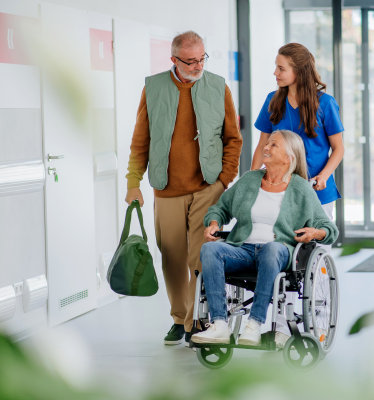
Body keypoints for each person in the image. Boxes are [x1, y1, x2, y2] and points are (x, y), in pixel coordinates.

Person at [125, 31, 242, 346]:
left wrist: (224, 179)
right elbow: (140, 141)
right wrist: (133, 182)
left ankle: (198, 320)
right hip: (167, 189)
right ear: (174, 60)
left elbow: (233, 138)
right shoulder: (154, 88)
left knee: (201, 257)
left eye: (202, 58)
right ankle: (180, 318)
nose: (197, 66)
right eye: (190, 61)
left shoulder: (218, 87)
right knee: (172, 257)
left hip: (208, 187)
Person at [191, 130, 338, 346]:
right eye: (267, 144)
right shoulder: (250, 180)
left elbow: (329, 229)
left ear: (288, 158)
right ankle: (220, 324)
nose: (266, 148)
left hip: (278, 252)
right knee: (209, 250)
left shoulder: (301, 189)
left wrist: (315, 233)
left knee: (271, 248)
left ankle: (254, 325)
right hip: (243, 250)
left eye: (273, 145)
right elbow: (220, 208)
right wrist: (213, 223)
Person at [252, 43, 345, 222]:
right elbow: (262, 145)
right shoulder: (272, 101)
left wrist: (323, 176)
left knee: (317, 244)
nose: (275, 73)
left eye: (281, 69)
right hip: (278, 190)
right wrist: (252, 178)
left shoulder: (325, 103)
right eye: (276, 67)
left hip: (316, 189)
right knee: (281, 245)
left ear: (299, 71)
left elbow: (338, 148)